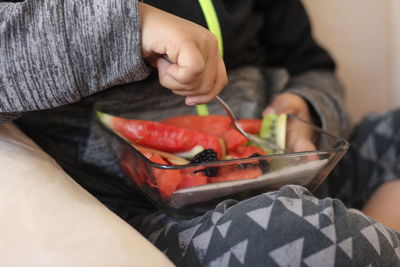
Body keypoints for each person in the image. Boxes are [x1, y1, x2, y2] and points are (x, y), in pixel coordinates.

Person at [1, 0, 399, 266]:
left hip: (297, 169)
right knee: (294, 231)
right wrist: (132, 26)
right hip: (165, 218)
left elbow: (312, 66)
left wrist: (305, 106)